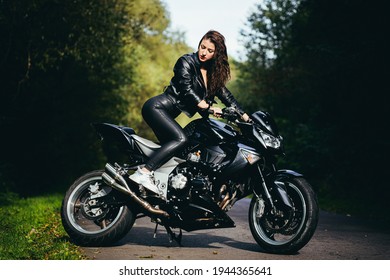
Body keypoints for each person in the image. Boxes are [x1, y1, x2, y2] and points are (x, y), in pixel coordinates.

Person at [130, 30, 250, 194]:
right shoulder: (186, 62)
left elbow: (227, 96)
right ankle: (144, 172)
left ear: (216, 54)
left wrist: (245, 116)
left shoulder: (211, 74)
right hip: (156, 108)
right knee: (181, 139)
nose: (204, 52)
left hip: (165, 113)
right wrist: (205, 106)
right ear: (199, 44)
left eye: (209, 51)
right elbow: (186, 89)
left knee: (180, 154)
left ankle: (162, 188)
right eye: (203, 47)